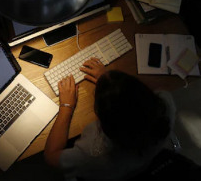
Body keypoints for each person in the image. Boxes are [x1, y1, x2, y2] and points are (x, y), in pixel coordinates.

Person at [44, 57, 175, 181]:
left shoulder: (92, 153)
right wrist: (111, 82)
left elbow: (51, 157)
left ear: (104, 123)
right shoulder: (164, 105)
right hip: (143, 164)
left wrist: (66, 106)